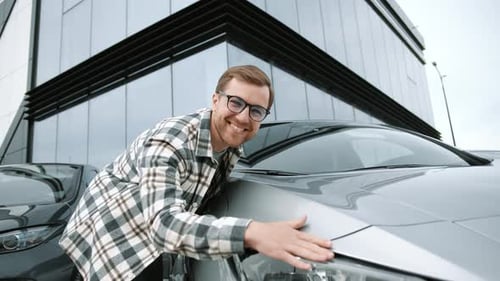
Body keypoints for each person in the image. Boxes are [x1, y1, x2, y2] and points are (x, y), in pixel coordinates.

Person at [59, 65, 334, 281]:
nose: (243, 117)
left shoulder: (230, 150)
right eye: (236, 103)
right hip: (114, 241)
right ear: (216, 100)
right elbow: (165, 226)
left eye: (256, 110)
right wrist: (253, 232)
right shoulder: (172, 138)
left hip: (151, 243)